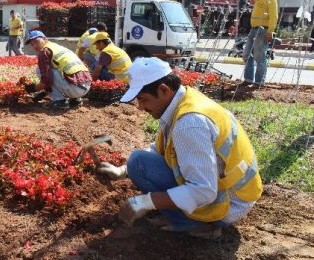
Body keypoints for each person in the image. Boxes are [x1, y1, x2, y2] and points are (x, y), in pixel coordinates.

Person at [97, 57, 262, 239]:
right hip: (228, 190)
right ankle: (187, 216)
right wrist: (123, 170)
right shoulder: (181, 101)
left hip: (229, 203)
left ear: (164, 90)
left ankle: (198, 224)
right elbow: (161, 148)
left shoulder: (189, 123)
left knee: (140, 163)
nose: (140, 107)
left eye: (143, 100)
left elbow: (203, 191)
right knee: (137, 163)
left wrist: (147, 201)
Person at [24, 30, 92, 110]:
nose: (35, 45)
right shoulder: (56, 47)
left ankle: (59, 101)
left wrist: (34, 88)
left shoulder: (44, 52)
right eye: (32, 44)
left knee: (39, 69)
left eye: (36, 41)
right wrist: (45, 92)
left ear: (44, 38)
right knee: (56, 69)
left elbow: (47, 80)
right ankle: (75, 99)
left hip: (75, 89)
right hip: (86, 87)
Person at [242, 0, 278, 87]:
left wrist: (270, 31)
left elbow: (274, 16)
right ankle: (248, 79)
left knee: (260, 57)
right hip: (254, 30)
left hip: (263, 30)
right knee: (246, 55)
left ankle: (259, 82)